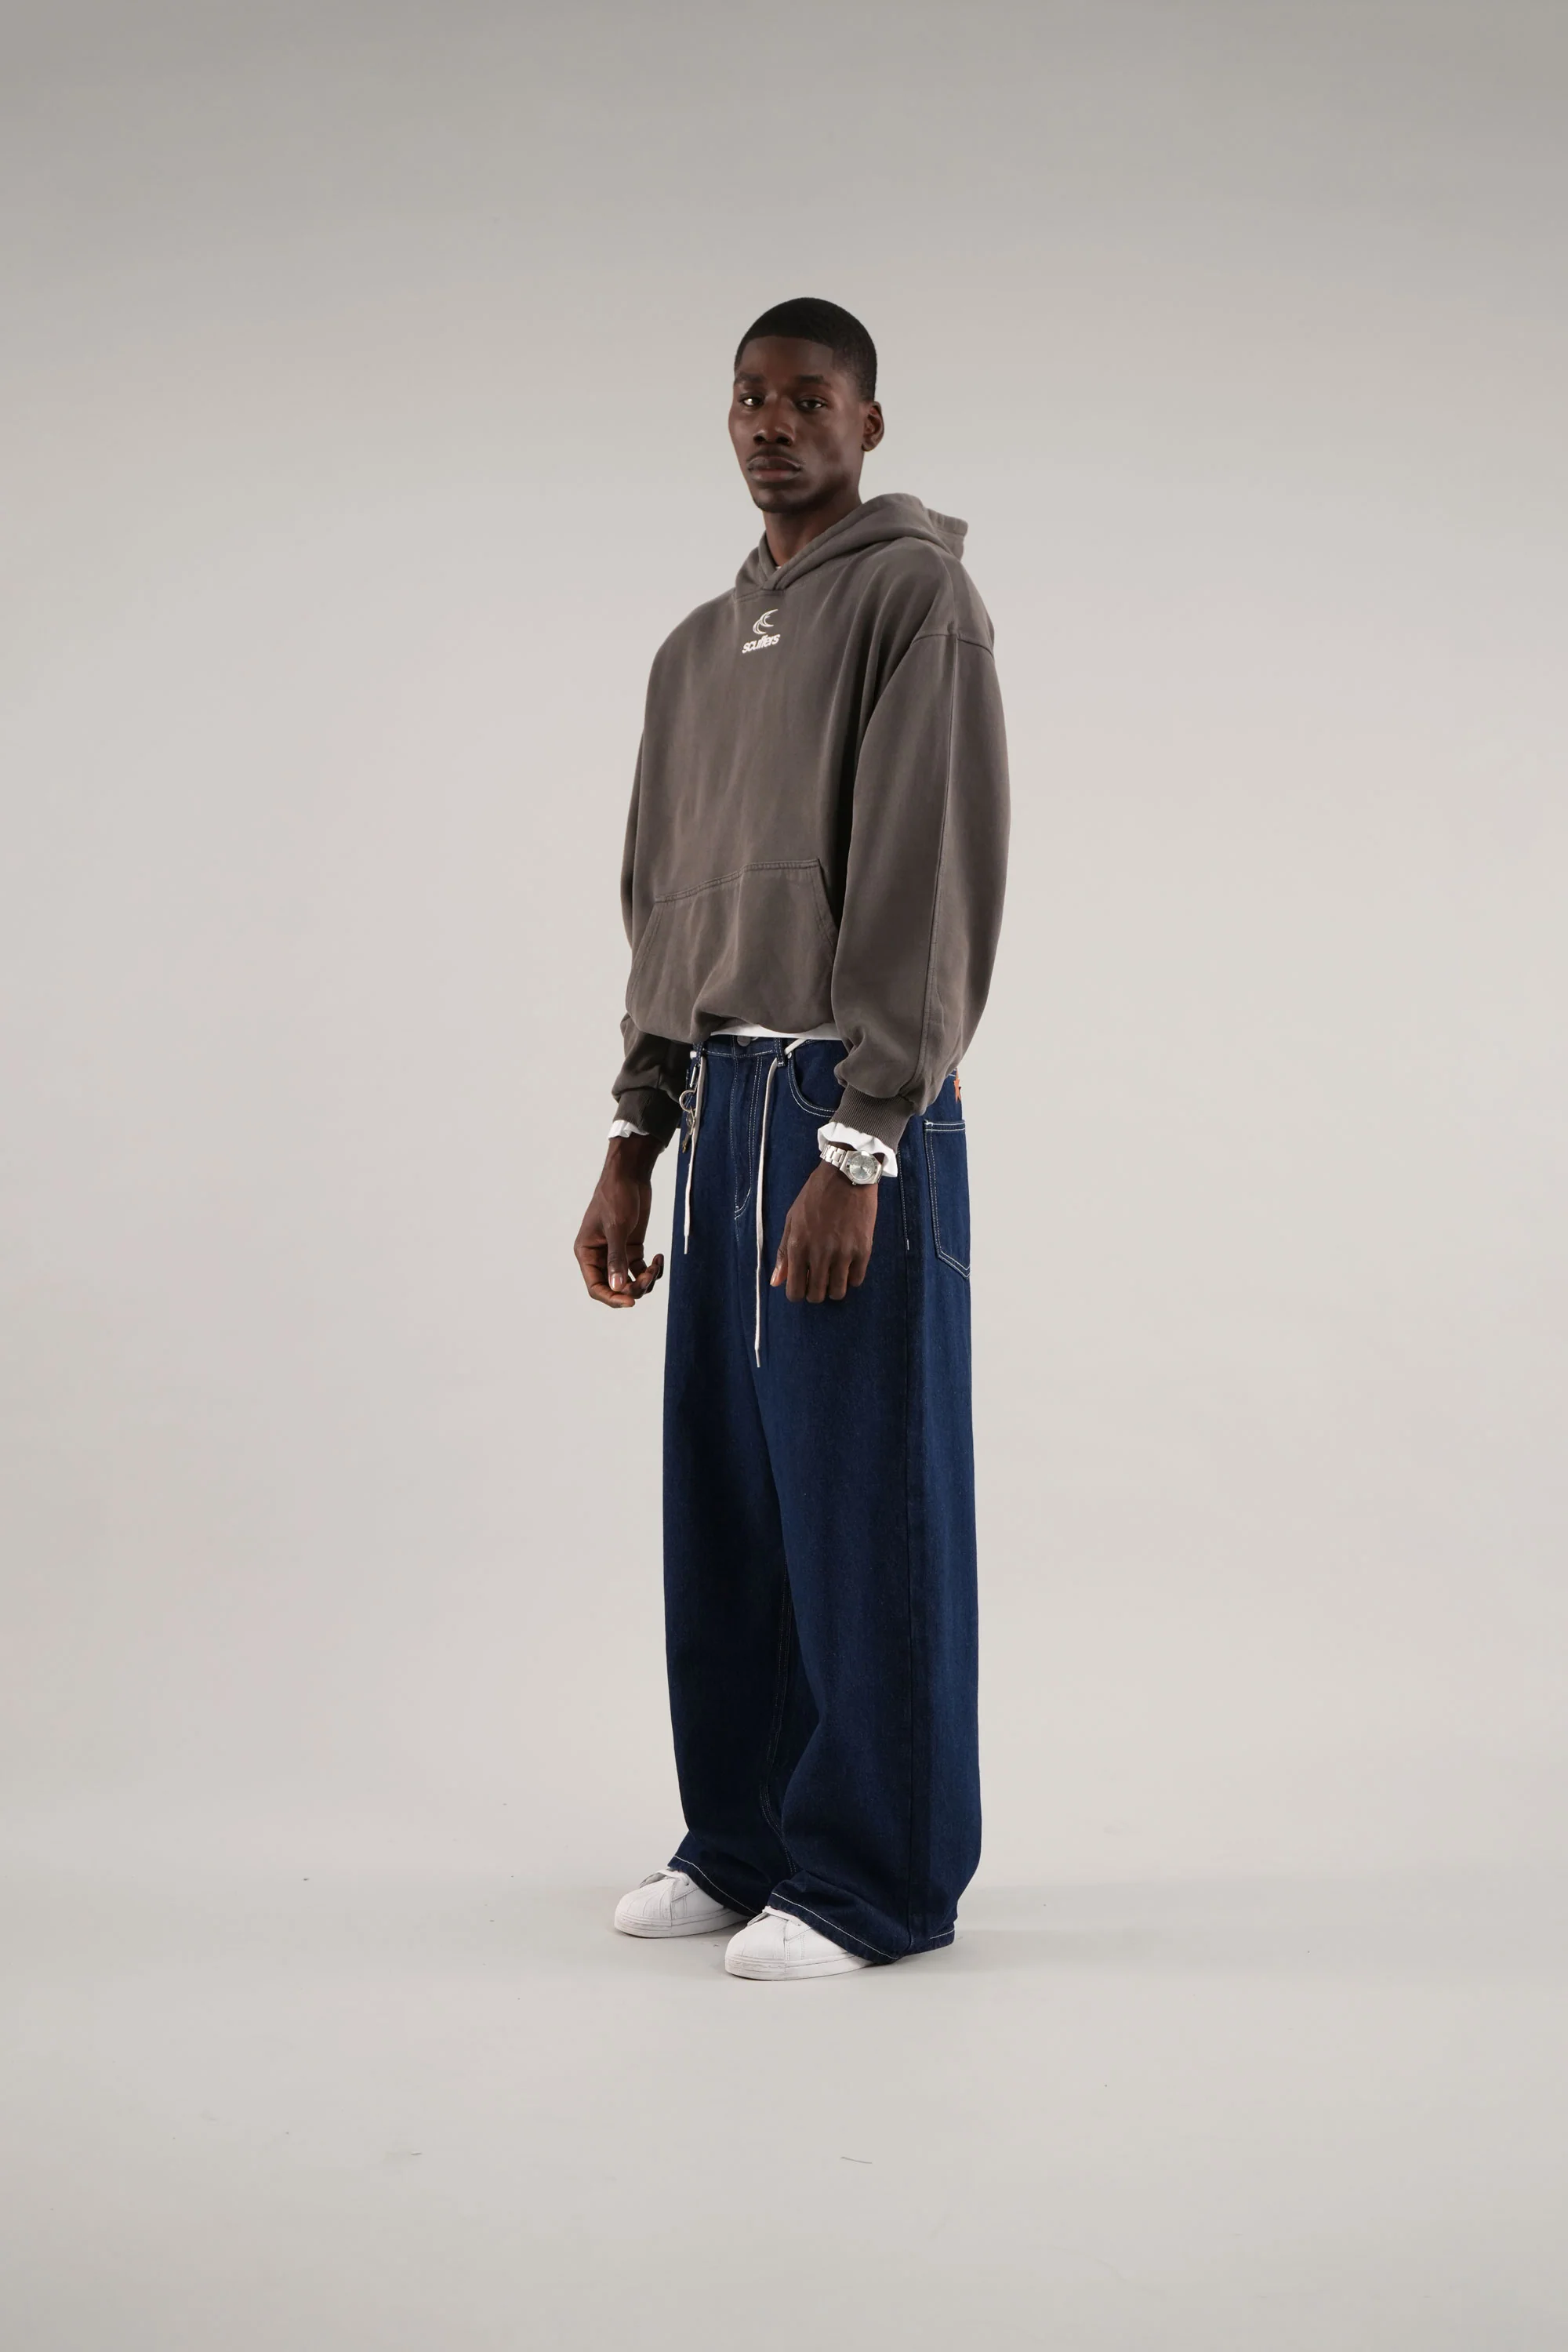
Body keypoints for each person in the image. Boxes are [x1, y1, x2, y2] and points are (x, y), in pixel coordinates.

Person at [573, 296, 1009, 1980]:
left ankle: (877, 1881)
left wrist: (867, 1136)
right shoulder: (693, 652)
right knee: (732, 1499)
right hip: (722, 1103)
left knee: (861, 1490)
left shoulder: (916, 602)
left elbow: (924, 873)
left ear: (867, 424)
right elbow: (664, 903)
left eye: (810, 398)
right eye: (751, 397)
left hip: (847, 1097)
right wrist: (637, 1130)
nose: (774, 423)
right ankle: (745, 1840)